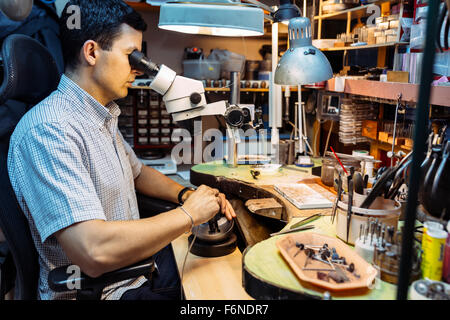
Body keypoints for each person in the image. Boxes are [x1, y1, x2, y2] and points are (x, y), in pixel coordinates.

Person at [7, 0, 236, 300]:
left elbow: (138, 173)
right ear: (91, 52)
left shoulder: (99, 116)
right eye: (132, 55)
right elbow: (93, 251)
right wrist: (188, 215)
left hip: (137, 270)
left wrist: (186, 195)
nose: (138, 68)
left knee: (221, 276)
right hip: (104, 291)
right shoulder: (50, 130)